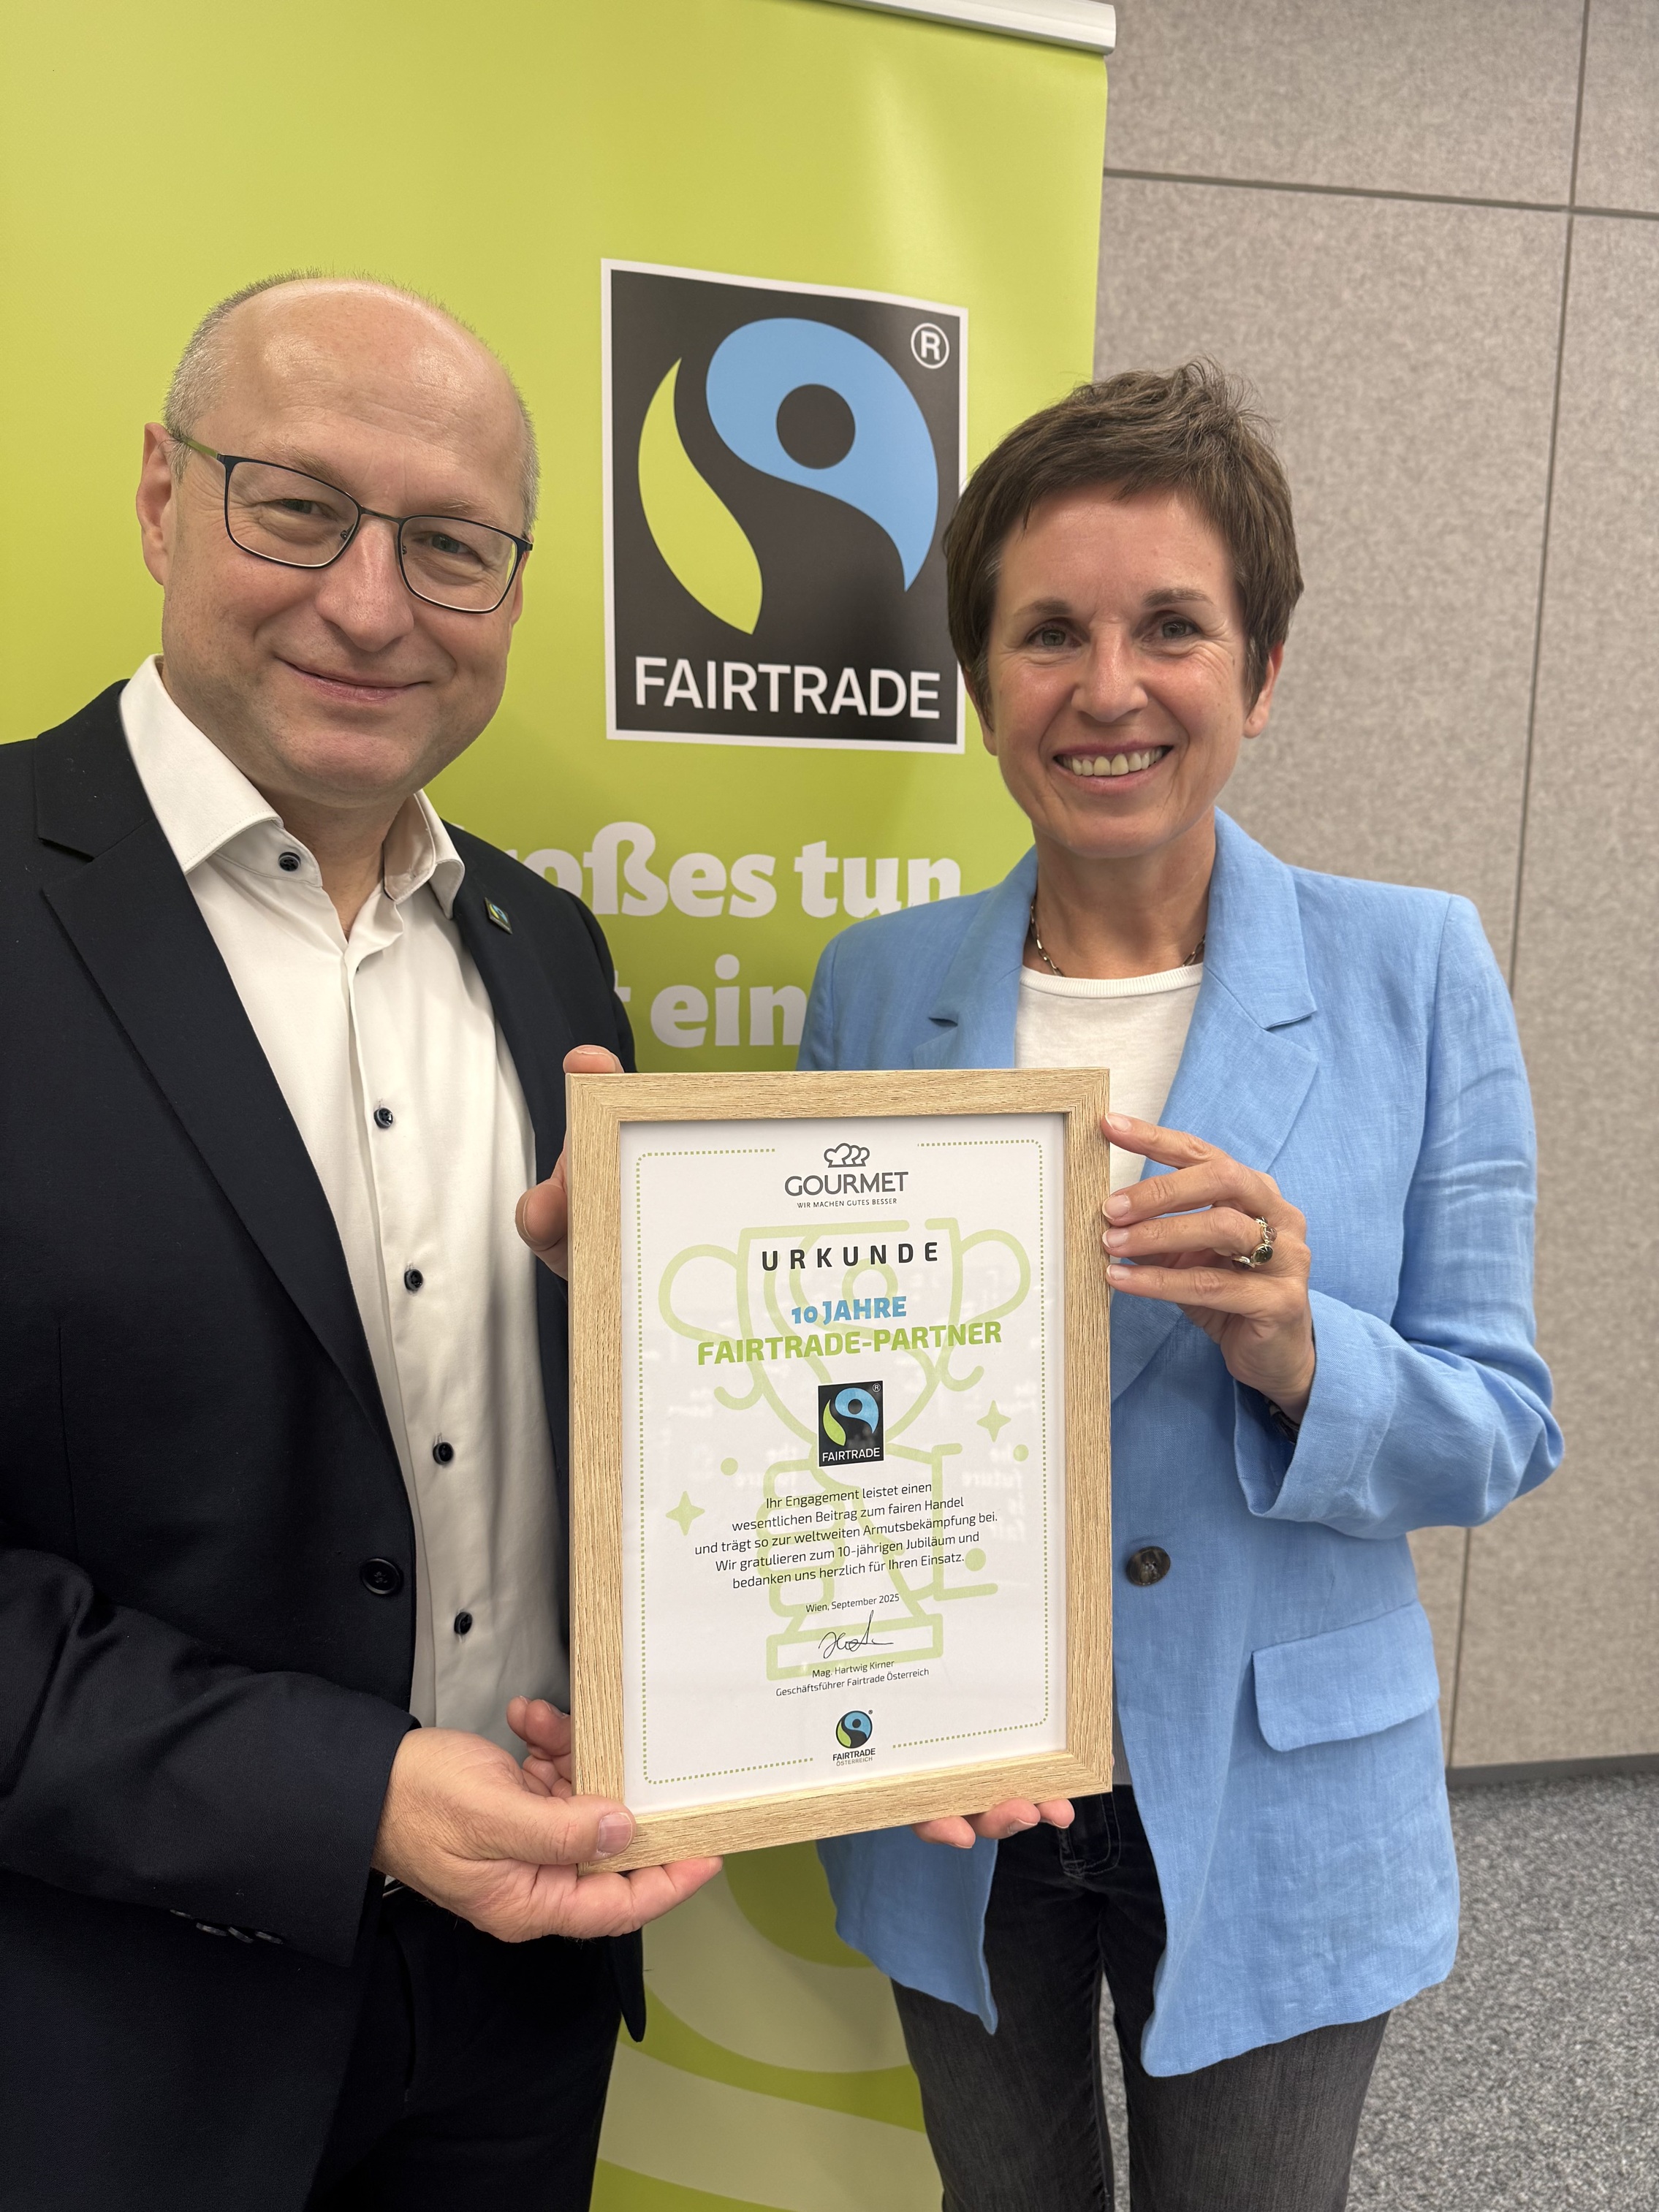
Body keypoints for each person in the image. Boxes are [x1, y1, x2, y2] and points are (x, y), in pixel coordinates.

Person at [799, 363, 1562, 2211]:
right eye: (1048, 632)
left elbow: (1499, 1428)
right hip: (954, 1780)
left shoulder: (1414, 969)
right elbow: (822, 1399)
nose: (1108, 685)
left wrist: (1297, 1345)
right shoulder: (874, 988)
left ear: (1261, 671)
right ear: (981, 680)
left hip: (1281, 1778)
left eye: (1171, 627)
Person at [0, 273, 717, 2212]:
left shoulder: (548, 949)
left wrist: (895, 1690)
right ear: (163, 495)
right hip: (105, 2035)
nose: (374, 604)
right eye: (300, 507)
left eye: (452, 545)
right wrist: (350, 1797)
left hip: (520, 1994)